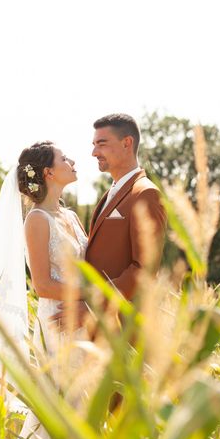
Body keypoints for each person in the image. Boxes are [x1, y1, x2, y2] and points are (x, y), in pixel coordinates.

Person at [0, 141, 88, 439]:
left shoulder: (71, 217)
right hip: (58, 324)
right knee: (59, 406)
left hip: (85, 319)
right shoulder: (37, 220)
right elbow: (43, 285)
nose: (72, 160)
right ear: (48, 172)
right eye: (64, 158)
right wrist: (91, 295)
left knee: (86, 404)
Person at [86, 113, 167, 300]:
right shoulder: (111, 193)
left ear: (127, 143)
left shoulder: (146, 194)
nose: (94, 153)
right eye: (94, 145)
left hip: (124, 321)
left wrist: (94, 306)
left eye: (102, 144)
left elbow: (145, 269)